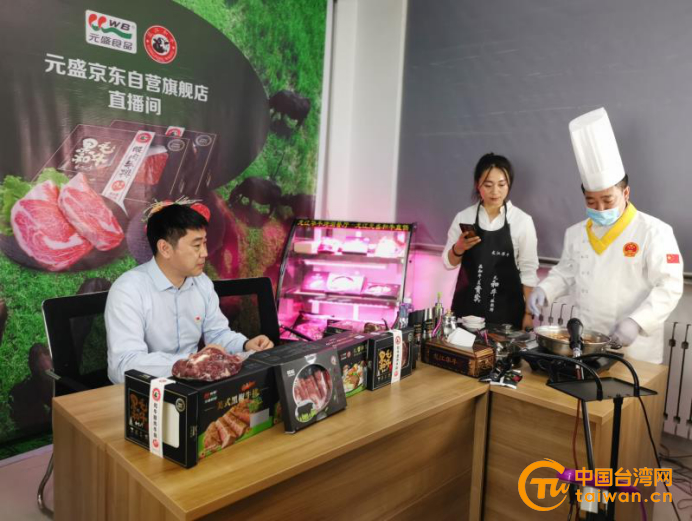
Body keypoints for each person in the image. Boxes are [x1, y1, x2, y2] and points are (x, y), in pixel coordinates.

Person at [528, 108, 683, 364]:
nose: (599, 208)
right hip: (586, 342)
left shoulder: (654, 231)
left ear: (626, 193)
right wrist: (545, 289)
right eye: (591, 201)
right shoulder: (576, 233)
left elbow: (670, 286)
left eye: (608, 200)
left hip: (635, 348)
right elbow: (566, 272)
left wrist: (637, 321)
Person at [106, 202, 274, 384]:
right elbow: (124, 365)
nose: (205, 253)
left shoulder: (201, 283)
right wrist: (189, 363)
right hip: (147, 389)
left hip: (194, 383)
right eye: (196, 245)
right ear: (165, 248)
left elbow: (217, 334)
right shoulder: (128, 290)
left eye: (204, 243)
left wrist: (245, 345)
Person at [443, 153, 539, 330]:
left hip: (507, 313)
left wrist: (528, 314)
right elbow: (448, 263)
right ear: (477, 184)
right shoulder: (464, 217)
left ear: (509, 184)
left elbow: (529, 272)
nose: (495, 191)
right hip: (467, 312)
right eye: (488, 185)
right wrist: (459, 248)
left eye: (501, 184)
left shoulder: (522, 221)